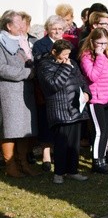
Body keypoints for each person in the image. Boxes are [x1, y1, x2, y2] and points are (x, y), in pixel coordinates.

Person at [37, 39, 90, 184]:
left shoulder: (72, 62)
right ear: (54, 52)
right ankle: (59, 173)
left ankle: (72, 170)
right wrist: (65, 68)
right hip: (59, 110)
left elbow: (81, 80)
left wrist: (86, 92)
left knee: (74, 144)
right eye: (64, 54)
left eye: (68, 54)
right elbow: (53, 85)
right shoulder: (44, 65)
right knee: (61, 143)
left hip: (76, 108)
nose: (67, 57)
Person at [0, 10, 40, 177]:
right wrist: (26, 74)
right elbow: (2, 68)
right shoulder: (1, 42)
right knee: (10, 130)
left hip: (26, 91)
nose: (22, 27)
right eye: (18, 24)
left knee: (25, 129)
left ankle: (23, 163)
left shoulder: (21, 41)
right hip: (10, 91)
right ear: (9, 26)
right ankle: (10, 165)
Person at [79, 27, 108, 174]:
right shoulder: (86, 56)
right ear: (92, 41)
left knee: (107, 131)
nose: (103, 46)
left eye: (105, 43)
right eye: (99, 43)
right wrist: (100, 56)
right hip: (96, 99)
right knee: (99, 131)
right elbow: (92, 76)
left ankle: (102, 159)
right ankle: (97, 161)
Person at [32, 15, 67, 171]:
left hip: (64, 88)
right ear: (48, 30)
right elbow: (38, 63)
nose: (57, 32)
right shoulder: (41, 44)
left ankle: (59, 152)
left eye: (60, 29)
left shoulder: (67, 44)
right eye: (54, 29)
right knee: (46, 122)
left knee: (61, 122)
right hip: (46, 88)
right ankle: (46, 155)